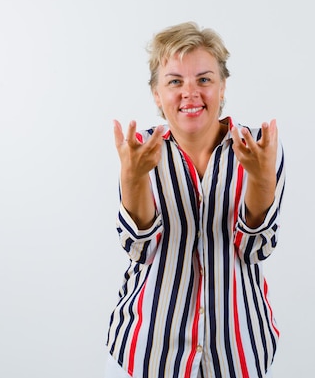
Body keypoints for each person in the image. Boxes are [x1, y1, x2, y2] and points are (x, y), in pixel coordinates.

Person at [105, 22, 286, 378]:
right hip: (149, 354)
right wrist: (133, 178)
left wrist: (262, 180)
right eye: (175, 81)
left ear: (222, 88)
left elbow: (255, 250)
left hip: (238, 353)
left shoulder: (260, 148)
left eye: (204, 79)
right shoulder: (140, 150)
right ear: (157, 94)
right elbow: (139, 249)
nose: (190, 93)